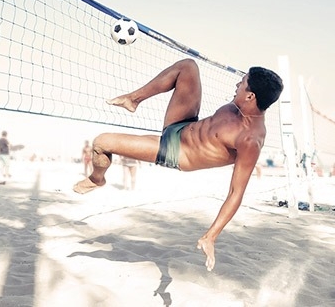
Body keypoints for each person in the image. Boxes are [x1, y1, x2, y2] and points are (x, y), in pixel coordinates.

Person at [72, 59, 283, 271]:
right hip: (183, 123)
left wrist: (211, 236)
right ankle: (133, 99)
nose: (237, 84)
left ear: (250, 95)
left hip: (175, 152)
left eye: (242, 82)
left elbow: (236, 193)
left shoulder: (249, 140)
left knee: (101, 143)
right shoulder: (238, 107)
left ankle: (96, 179)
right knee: (188, 66)